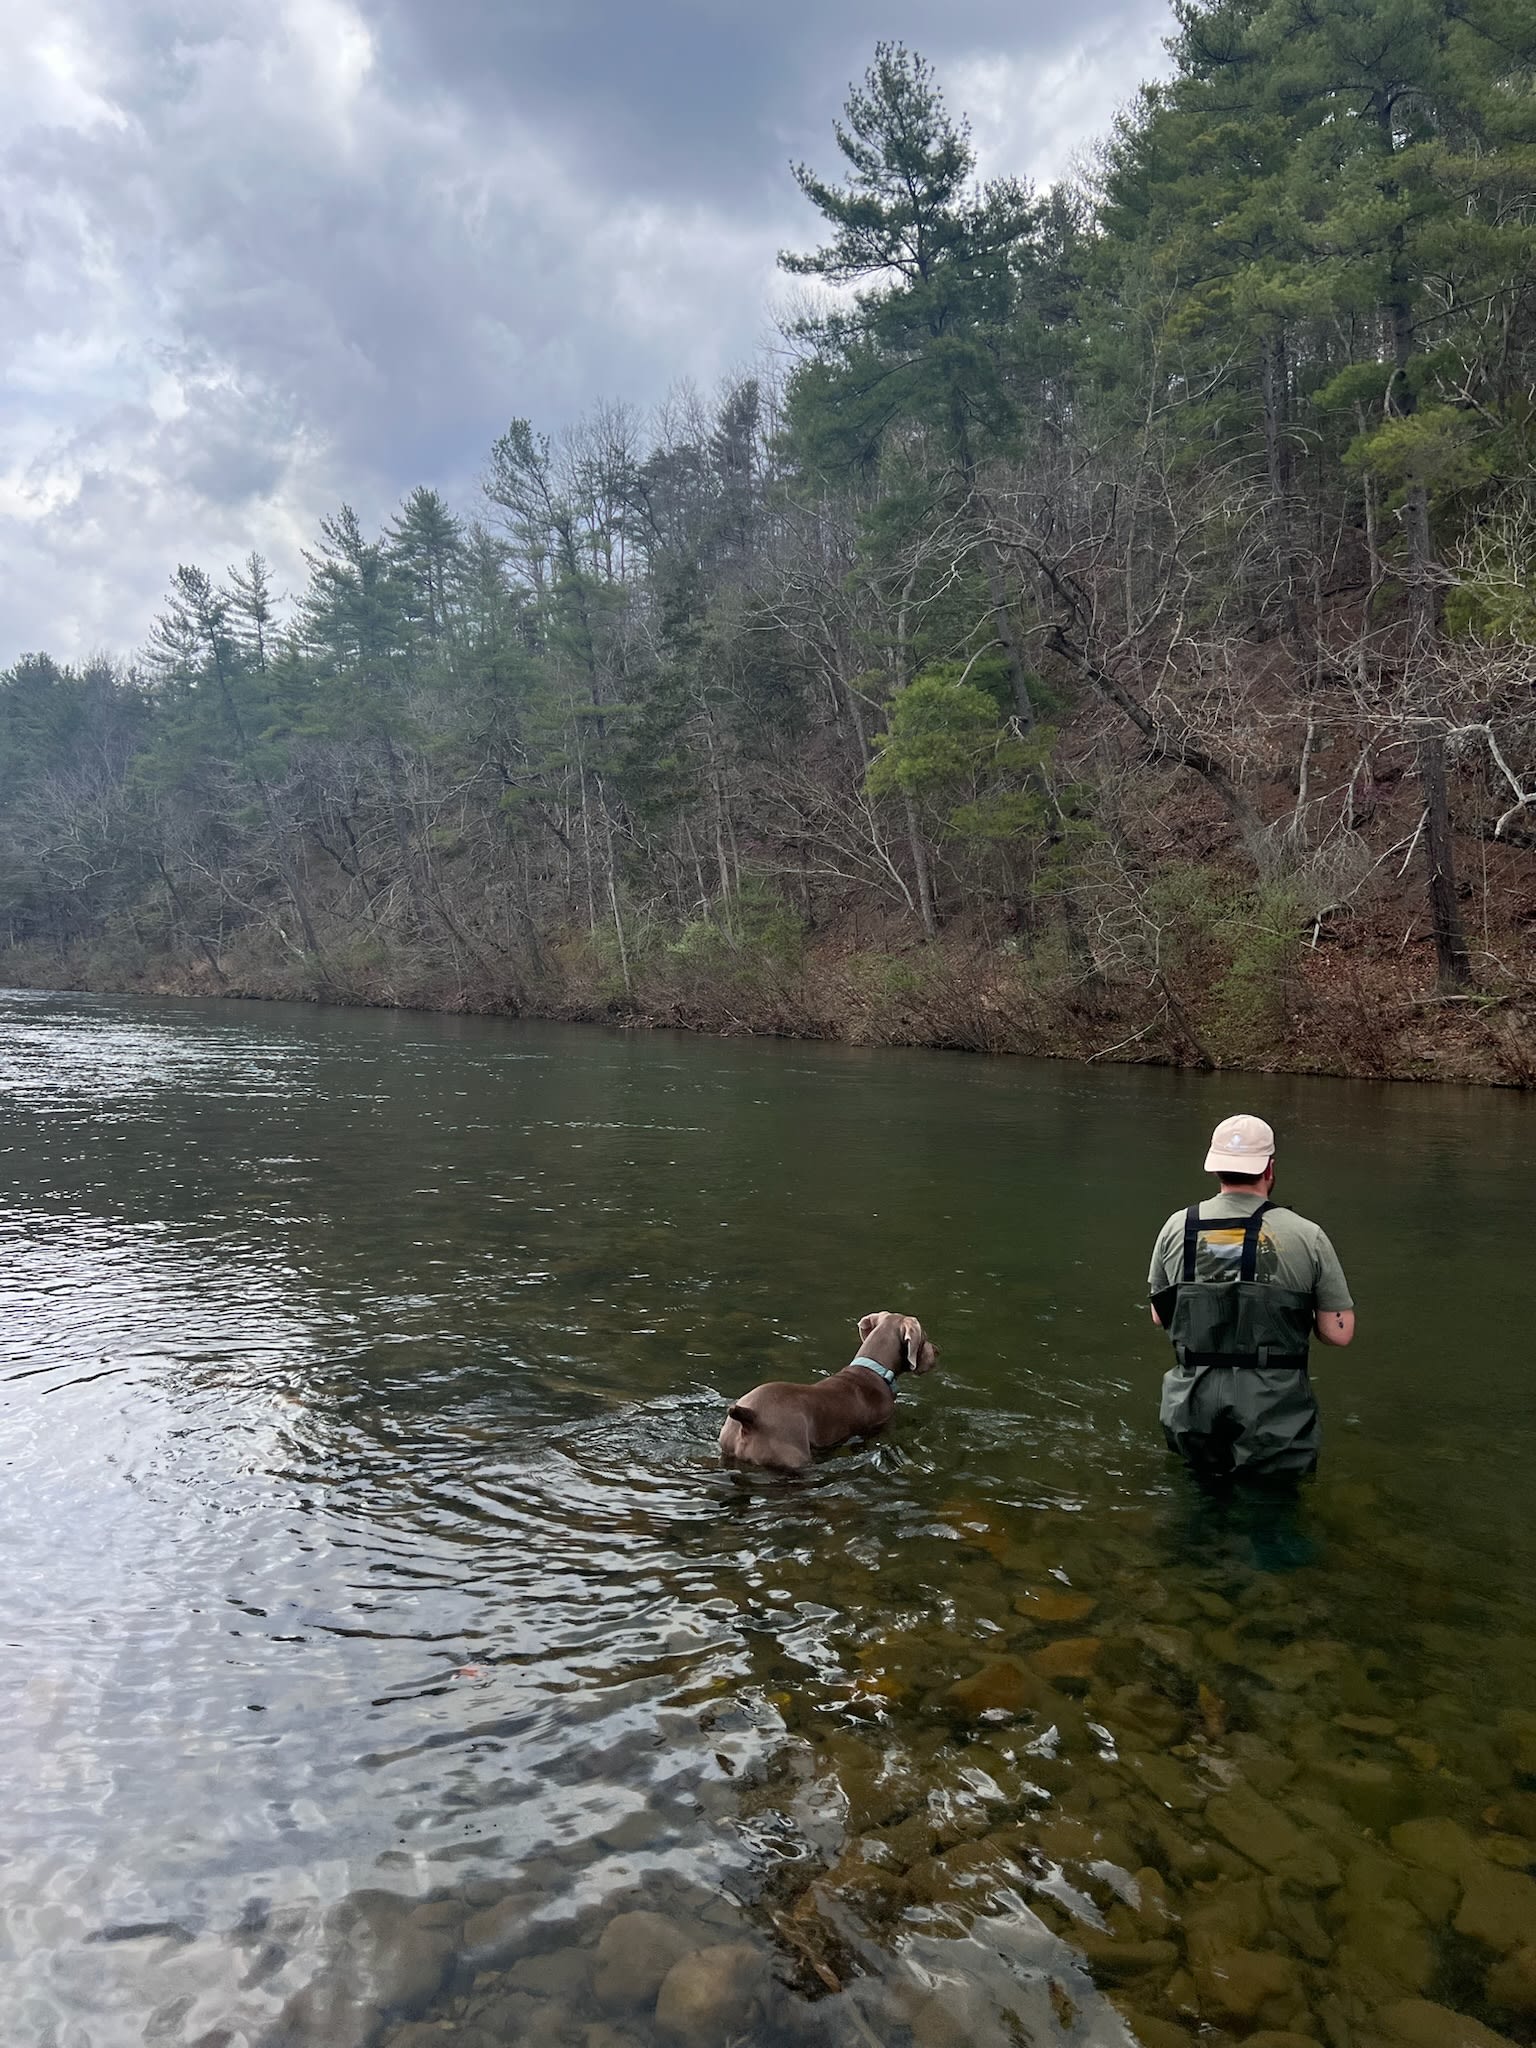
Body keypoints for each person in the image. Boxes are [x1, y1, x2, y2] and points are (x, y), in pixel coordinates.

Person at [1148, 1113, 1354, 1492]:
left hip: (1191, 1405)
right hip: (1273, 1410)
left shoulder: (1176, 1226)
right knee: (1271, 1510)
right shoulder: (1307, 1235)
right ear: (1269, 1168)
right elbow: (1337, 1334)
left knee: (1199, 1500)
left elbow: (1160, 1316)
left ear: (1215, 1168)